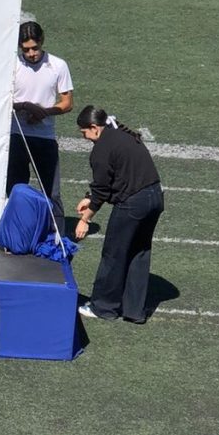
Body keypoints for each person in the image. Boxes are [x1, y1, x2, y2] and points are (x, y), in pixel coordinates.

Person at [74, 106, 164, 324]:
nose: (85, 137)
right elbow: (117, 175)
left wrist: (85, 219)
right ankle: (134, 311)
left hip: (133, 204)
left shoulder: (101, 149)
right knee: (139, 253)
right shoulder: (123, 136)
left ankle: (104, 307)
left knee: (114, 254)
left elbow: (102, 189)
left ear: (94, 127)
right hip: (155, 197)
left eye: (84, 132)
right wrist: (89, 197)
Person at [6, 20, 73, 235]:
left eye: (35, 48)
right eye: (26, 50)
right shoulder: (11, 65)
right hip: (16, 135)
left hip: (45, 136)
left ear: (42, 41)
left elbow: (67, 103)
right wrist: (24, 106)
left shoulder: (58, 65)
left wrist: (44, 112)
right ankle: (16, 234)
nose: (31, 54)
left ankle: (57, 237)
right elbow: (1, 99)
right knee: (14, 190)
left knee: (52, 191)